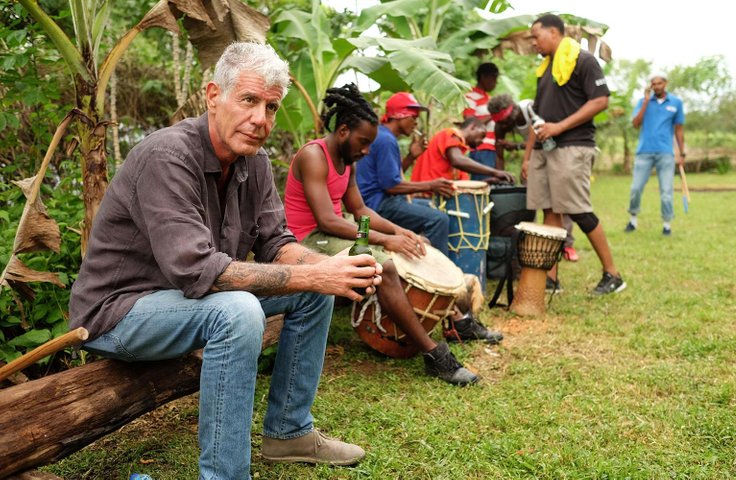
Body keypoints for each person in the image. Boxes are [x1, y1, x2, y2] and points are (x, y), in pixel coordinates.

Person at [68, 43, 380, 478]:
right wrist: (314, 271)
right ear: (213, 96)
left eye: (271, 107)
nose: (260, 119)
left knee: (313, 289)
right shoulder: (169, 155)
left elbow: (276, 242)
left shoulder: (255, 162)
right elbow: (198, 271)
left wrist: (330, 269)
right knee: (238, 311)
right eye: (249, 100)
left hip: (182, 301)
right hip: (119, 313)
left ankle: (289, 432)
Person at [284, 84, 502, 387]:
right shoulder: (313, 156)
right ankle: (433, 355)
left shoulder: (349, 161)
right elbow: (327, 220)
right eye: (363, 142)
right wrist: (384, 239)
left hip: (338, 224)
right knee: (385, 264)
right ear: (344, 130)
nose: (365, 150)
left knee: (412, 248)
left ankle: (459, 321)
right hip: (308, 238)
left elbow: (360, 209)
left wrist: (402, 232)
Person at [523, 14, 626, 295]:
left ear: (554, 32)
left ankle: (613, 274)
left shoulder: (583, 60)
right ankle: (551, 279)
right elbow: (539, 115)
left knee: (579, 210)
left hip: (573, 146)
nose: (533, 42)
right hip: (545, 150)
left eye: (536, 36)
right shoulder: (546, 69)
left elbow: (601, 101)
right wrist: (528, 155)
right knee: (550, 211)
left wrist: (560, 127)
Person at [356, 91, 455, 256]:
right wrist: (432, 185)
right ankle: (436, 273)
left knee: (428, 206)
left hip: (381, 200)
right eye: (413, 117)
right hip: (379, 205)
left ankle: (418, 249)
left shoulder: (383, 135)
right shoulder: (386, 140)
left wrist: (411, 156)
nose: (415, 122)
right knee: (439, 219)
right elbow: (391, 186)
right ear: (399, 116)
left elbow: (388, 177)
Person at [488, 94, 580, 271]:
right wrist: (500, 176)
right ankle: (534, 238)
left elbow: (541, 134)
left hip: (554, 151)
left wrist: (525, 156)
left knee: (561, 200)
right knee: (531, 198)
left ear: (514, 109)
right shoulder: (500, 125)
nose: (505, 126)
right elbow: (499, 154)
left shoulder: (530, 109)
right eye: (501, 124)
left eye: (507, 122)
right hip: (532, 158)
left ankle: (566, 243)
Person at [625, 73, 686, 236]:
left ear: (665, 83)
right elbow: (635, 124)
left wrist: (682, 153)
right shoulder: (643, 102)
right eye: (654, 84)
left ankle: (667, 224)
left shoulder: (676, 103)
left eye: (659, 83)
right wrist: (645, 101)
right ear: (651, 86)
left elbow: (679, 129)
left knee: (666, 190)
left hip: (665, 153)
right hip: (644, 152)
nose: (657, 86)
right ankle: (632, 220)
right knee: (636, 188)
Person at [410, 117, 515, 184]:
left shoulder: (459, 153)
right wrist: (495, 172)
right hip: (424, 195)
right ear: (472, 127)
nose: (481, 142)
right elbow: (457, 160)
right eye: (482, 135)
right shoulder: (451, 133)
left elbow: (464, 185)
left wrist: (488, 182)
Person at [463, 62, 501, 180]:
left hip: (493, 149)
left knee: (492, 187)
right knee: (482, 186)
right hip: (481, 148)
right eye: (494, 78)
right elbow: (469, 123)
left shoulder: (489, 99)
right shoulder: (470, 96)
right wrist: (493, 114)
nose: (496, 82)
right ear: (484, 77)